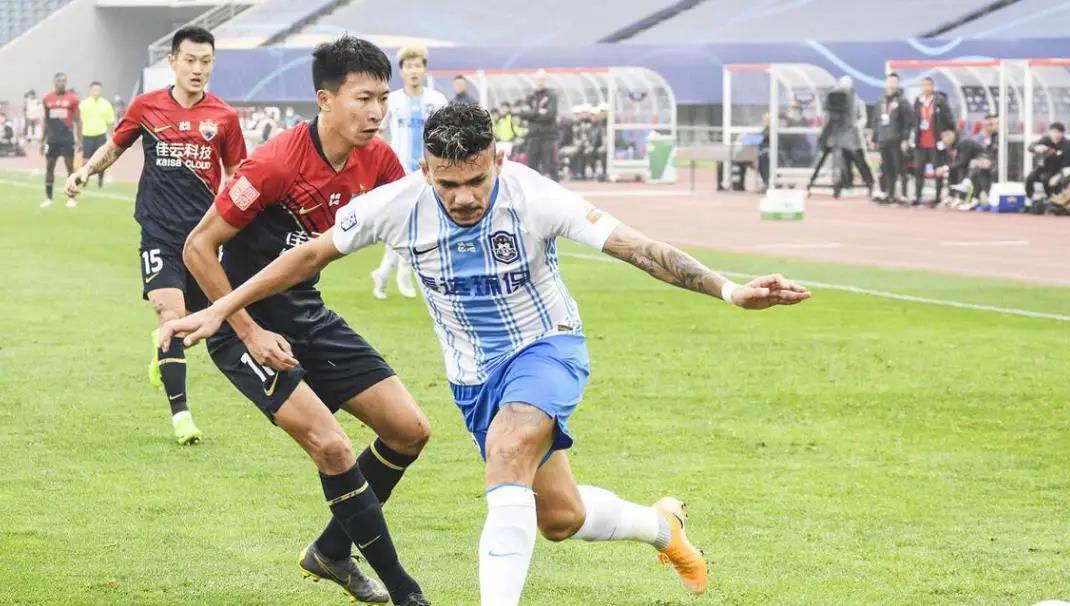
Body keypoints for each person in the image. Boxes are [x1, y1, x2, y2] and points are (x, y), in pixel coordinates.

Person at [161, 103, 812, 606]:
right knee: (559, 517)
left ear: (497, 161)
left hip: (546, 348)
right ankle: (661, 526)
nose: (466, 196)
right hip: (474, 379)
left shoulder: (534, 196)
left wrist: (729, 290)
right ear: (425, 171)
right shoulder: (396, 207)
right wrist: (222, 309)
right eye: (449, 184)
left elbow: (638, 248)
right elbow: (307, 256)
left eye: (477, 179)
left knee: (507, 450)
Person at [164, 36, 431, 606]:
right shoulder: (276, 163)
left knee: (409, 430)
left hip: (306, 310)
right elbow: (197, 248)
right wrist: (249, 332)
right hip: (239, 321)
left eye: (383, 99)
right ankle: (406, 593)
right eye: (364, 98)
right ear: (325, 100)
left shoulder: (380, 161)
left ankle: (331, 552)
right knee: (332, 447)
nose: (377, 112)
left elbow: (419, 221)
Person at [65, 27, 246, 445]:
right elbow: (115, 146)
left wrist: (240, 222)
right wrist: (85, 170)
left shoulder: (224, 117)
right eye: (190, 60)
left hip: (202, 240)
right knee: (171, 317)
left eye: (206, 62)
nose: (198, 69)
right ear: (173, 62)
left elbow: (238, 175)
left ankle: (162, 353)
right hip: (158, 233)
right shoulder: (147, 107)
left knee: (196, 326)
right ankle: (182, 417)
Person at [371, 45, 448, 300]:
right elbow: (377, 132)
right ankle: (399, 272)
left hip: (429, 172)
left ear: (424, 70)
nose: (414, 71)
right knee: (403, 224)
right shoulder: (391, 100)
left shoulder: (437, 100)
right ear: (401, 70)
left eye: (418, 66)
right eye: (409, 66)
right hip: (398, 173)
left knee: (417, 225)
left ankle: (385, 272)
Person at [806, 76, 873, 198]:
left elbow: (862, 118)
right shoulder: (832, 98)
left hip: (850, 134)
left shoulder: (857, 101)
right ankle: (834, 182)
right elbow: (827, 114)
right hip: (833, 133)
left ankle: (869, 182)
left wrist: (856, 126)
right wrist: (824, 131)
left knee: (858, 159)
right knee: (829, 158)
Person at [910, 77, 955, 206]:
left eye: (928, 85)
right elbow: (914, 120)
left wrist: (947, 134)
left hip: (936, 141)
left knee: (938, 170)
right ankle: (918, 196)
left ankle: (937, 197)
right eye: (923, 85)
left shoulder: (940, 101)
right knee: (919, 170)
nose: (926, 88)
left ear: (933, 86)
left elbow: (949, 119)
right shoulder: (918, 101)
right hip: (921, 141)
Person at [40, 72, 81, 208]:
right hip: (52, 139)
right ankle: (48, 198)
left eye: (64, 81)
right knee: (49, 167)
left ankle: (72, 198)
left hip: (67, 139)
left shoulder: (72, 99)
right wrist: (42, 140)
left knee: (70, 167)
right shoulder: (47, 99)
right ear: (54, 82)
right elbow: (46, 121)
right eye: (59, 81)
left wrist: (79, 140)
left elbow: (78, 120)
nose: (61, 83)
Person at [871, 73, 912, 204]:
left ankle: (904, 195)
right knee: (887, 169)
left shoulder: (902, 101)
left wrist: (905, 139)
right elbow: (876, 120)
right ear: (886, 83)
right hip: (883, 139)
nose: (892, 85)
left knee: (900, 168)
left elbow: (908, 122)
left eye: (894, 82)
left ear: (898, 84)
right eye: (890, 82)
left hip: (897, 140)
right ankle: (890, 194)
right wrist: (874, 139)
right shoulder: (880, 101)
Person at [934, 126, 988, 209]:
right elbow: (953, 162)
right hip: (969, 164)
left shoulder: (964, 142)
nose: (944, 139)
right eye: (942, 137)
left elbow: (963, 162)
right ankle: (952, 196)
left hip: (981, 162)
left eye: (946, 136)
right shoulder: (949, 145)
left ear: (952, 134)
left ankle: (967, 199)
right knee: (952, 170)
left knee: (961, 170)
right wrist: (945, 168)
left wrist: (945, 168)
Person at [522, 70, 559, 180]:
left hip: (548, 136)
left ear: (547, 81)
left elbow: (550, 115)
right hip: (533, 136)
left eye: (542, 79)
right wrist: (538, 110)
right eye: (538, 80)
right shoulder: (530, 96)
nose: (540, 82)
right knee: (531, 166)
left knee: (550, 166)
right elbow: (523, 114)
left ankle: (554, 187)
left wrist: (532, 114)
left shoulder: (551, 95)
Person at [79, 81, 116, 188]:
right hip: (87, 135)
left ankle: (100, 180)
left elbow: (110, 122)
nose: (96, 92)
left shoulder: (106, 104)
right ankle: (84, 179)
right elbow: (78, 121)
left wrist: (112, 137)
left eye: (98, 90)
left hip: (100, 135)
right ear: (90, 90)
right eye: (94, 89)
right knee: (86, 160)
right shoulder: (84, 104)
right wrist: (79, 138)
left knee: (101, 160)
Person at [1024, 122, 1070, 202]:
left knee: (1045, 179)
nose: (1055, 135)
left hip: (1057, 169)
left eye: (1058, 132)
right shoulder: (1046, 139)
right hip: (1043, 166)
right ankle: (1029, 196)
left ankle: (1052, 199)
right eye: (1053, 132)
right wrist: (1036, 148)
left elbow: (1066, 165)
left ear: (1062, 133)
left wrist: (1058, 176)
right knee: (1030, 177)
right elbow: (1030, 147)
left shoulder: (1066, 145)